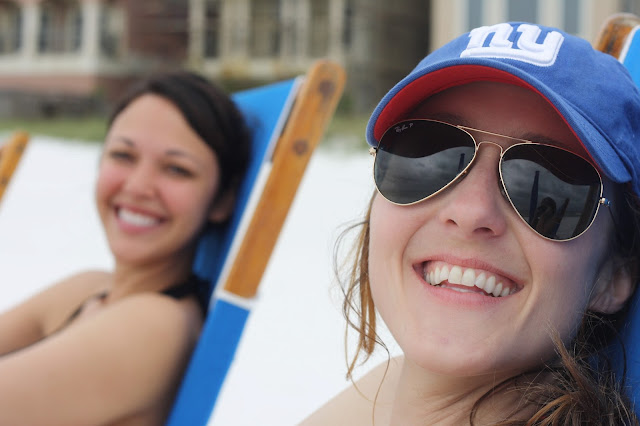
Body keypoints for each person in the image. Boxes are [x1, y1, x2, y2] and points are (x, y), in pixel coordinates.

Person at [303, 22, 640, 425]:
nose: (470, 211)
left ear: (614, 276)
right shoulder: (376, 395)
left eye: (547, 185)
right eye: (428, 154)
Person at [0, 71, 250, 424]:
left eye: (177, 169)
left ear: (223, 199)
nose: (137, 186)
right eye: (122, 155)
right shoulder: (89, 289)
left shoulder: (153, 326)